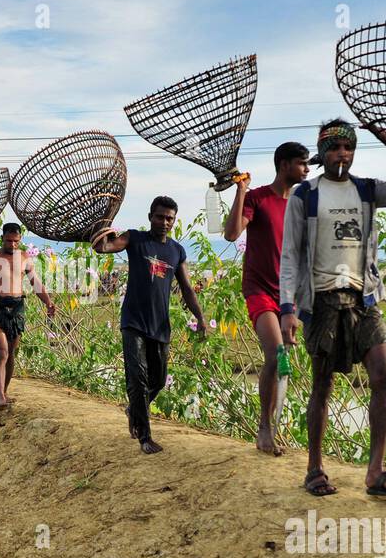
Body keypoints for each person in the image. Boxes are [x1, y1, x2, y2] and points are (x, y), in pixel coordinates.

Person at [279, 118, 386, 498]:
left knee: (383, 376)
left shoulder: (367, 190)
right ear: (323, 153)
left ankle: (375, 472)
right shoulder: (305, 195)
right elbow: (290, 256)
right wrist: (288, 309)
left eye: (348, 147)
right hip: (322, 300)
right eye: (334, 148)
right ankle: (314, 468)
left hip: (363, 298)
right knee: (323, 384)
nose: (341, 154)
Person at [95, 197, 206, 454]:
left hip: (160, 325)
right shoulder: (135, 239)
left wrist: (200, 317)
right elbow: (105, 248)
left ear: (174, 221)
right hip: (133, 322)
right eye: (160, 217)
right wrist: (103, 234)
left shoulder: (177, 251)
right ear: (150, 217)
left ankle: (134, 408)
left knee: (157, 380)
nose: (164, 222)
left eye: (169, 218)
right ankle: (145, 437)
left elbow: (187, 289)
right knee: (138, 379)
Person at [223, 141, 309, 456]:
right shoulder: (257, 198)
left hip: (287, 295)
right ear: (285, 164)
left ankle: (272, 425)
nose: (307, 169)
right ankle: (264, 428)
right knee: (276, 353)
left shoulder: (300, 204)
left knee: (284, 356)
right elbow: (232, 234)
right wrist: (240, 191)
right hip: (259, 289)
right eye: (303, 163)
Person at [0, 222, 55, 410]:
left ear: (20, 240)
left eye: (16, 241)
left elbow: (36, 283)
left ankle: (5, 391)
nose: (12, 245)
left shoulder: (25, 258)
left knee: (11, 353)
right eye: (9, 241)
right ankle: (0, 396)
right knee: (1, 351)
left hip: (17, 306)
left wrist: (48, 302)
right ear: (2, 238)